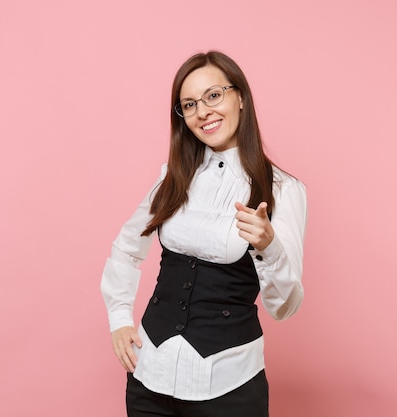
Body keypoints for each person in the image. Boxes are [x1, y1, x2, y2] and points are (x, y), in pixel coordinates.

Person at [100, 50, 307, 417]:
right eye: (189, 104)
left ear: (240, 96)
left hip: (229, 386)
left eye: (214, 95)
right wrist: (119, 320)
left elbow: (284, 307)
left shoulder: (282, 190)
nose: (203, 112)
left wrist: (268, 246)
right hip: (149, 378)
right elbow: (126, 249)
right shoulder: (173, 178)